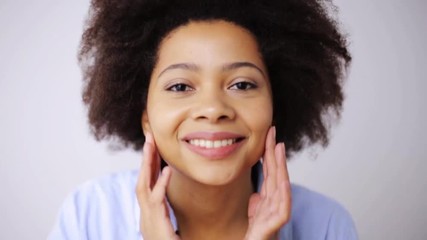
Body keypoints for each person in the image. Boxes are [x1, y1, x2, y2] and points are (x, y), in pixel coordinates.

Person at [49, 0, 357, 239]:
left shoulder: (326, 225)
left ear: (276, 104)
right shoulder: (90, 215)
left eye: (242, 84)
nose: (212, 108)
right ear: (145, 116)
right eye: (180, 86)